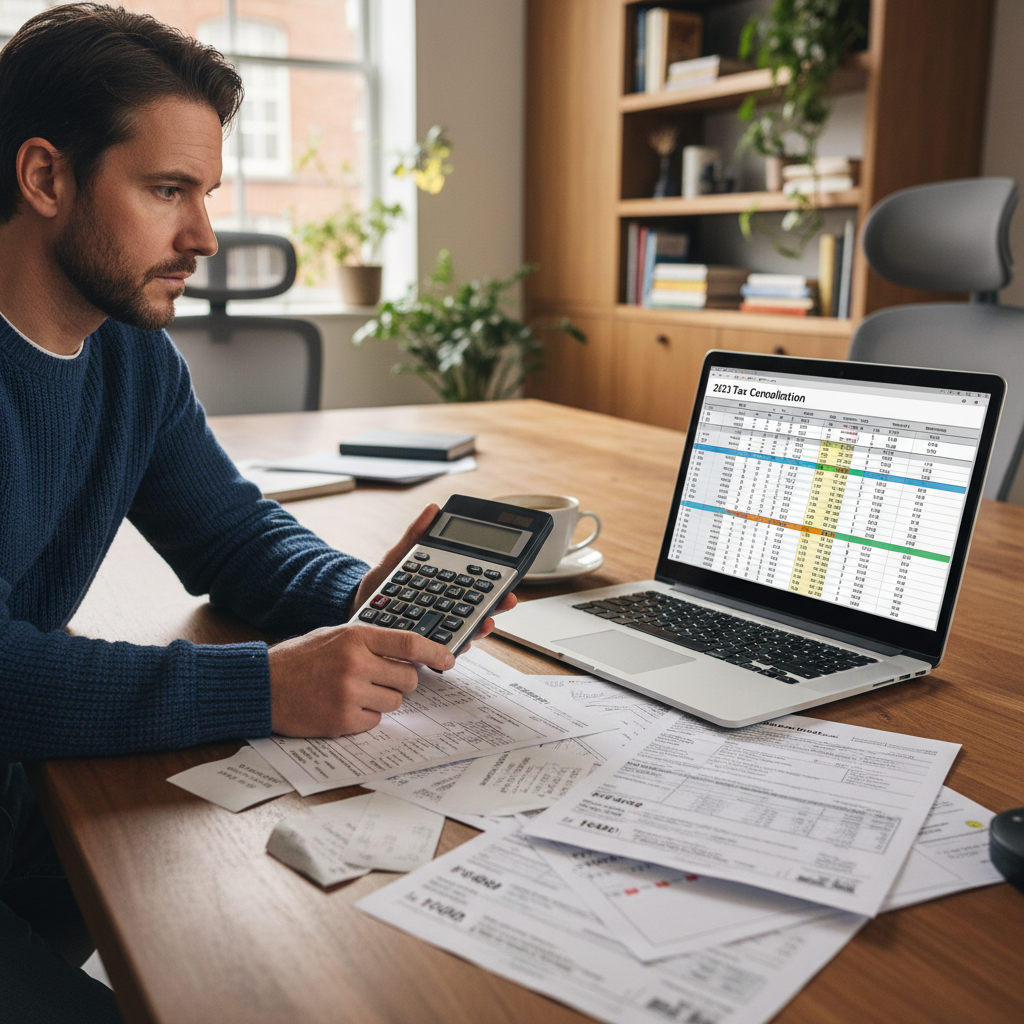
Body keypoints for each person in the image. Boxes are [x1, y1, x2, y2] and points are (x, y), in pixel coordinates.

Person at [0, 5, 514, 1020]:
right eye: (166, 191)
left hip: (19, 797)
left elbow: (232, 533)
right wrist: (266, 685)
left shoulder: (130, 356)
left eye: (207, 193)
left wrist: (360, 599)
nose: (203, 236)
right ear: (46, 178)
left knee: (291, 937)